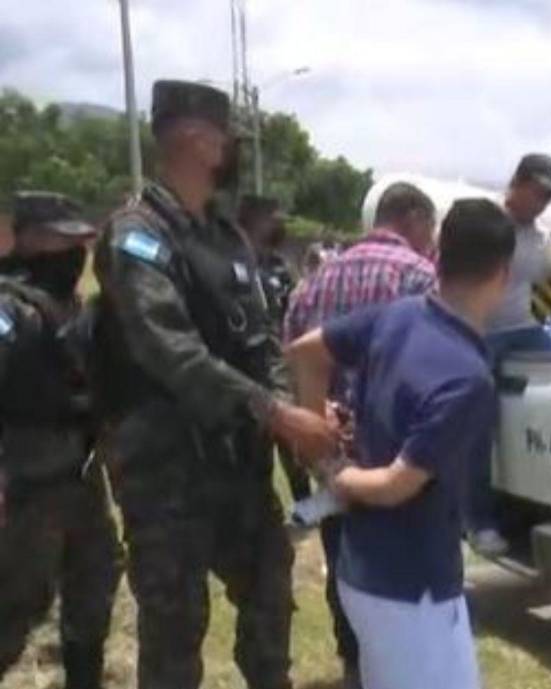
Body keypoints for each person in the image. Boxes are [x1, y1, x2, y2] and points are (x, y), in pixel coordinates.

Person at [93, 79, 337, 689]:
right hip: (166, 471)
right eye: (229, 140)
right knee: (175, 630)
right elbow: (171, 351)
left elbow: (261, 344)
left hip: (237, 462)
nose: (235, 153)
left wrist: (302, 414)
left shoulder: (225, 237)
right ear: (199, 140)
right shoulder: (138, 235)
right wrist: (278, 415)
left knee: (271, 594)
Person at [286, 198, 516, 689]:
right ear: (503, 273)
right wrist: (334, 468)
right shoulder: (467, 378)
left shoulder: (397, 316)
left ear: (439, 252)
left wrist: (315, 432)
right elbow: (395, 486)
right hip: (411, 588)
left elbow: (305, 352)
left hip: (364, 568)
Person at [283, 180, 438, 689]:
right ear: (415, 219)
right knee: (401, 568)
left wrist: (317, 428)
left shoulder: (313, 282)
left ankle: (354, 665)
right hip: (394, 454)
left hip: (331, 453)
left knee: (340, 558)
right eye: (431, 229)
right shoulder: (423, 279)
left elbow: (293, 358)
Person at [0, 192, 121, 689]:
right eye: (64, 238)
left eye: (80, 240)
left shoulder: (72, 307)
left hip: (79, 475)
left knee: (94, 587)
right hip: (26, 483)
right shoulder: (10, 308)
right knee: (15, 607)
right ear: (28, 239)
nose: (76, 251)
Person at [465, 153, 551, 556]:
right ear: (519, 183)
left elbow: (534, 279)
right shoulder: (485, 222)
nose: (542, 203)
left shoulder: (537, 235)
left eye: (548, 197)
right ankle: (478, 521)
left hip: (522, 330)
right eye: (539, 193)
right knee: (478, 417)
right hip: (480, 332)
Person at [239, 195, 313, 502]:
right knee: (254, 444)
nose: (280, 224)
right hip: (246, 365)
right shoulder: (234, 262)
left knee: (291, 441)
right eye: (273, 218)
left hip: (281, 361)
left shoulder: (279, 266)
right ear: (254, 221)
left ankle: (304, 502)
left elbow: (297, 308)